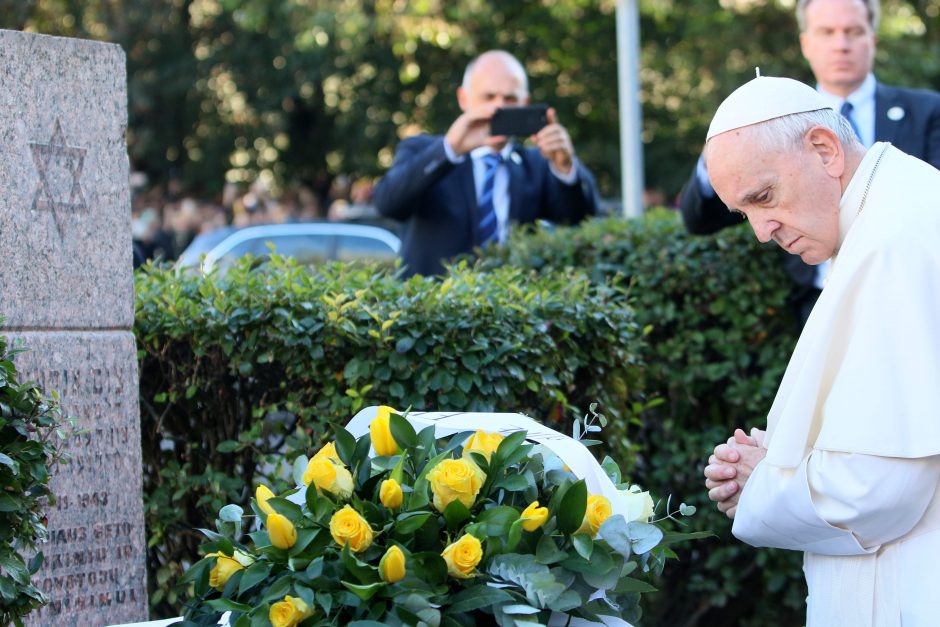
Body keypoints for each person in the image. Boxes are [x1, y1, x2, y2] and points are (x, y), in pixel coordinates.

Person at [700, 74, 940, 626]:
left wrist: (761, 486)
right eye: (745, 213)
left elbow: (878, 490)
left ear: (824, 149)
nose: (762, 231)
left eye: (763, 198)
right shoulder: (895, 206)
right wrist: (786, 456)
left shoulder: (892, 241)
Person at [679, 0, 940, 326]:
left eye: (854, 31)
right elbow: (698, 220)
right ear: (806, 43)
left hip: (910, 292)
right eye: (827, 32)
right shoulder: (763, 120)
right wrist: (725, 148)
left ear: (873, 38)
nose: (841, 44)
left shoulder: (928, 111)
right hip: (816, 303)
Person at [373, 50, 599, 276]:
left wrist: (565, 167)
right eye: (488, 97)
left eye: (510, 98)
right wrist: (449, 149)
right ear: (463, 99)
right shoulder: (422, 151)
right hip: (433, 305)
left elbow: (579, 218)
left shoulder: (536, 164)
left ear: (525, 102)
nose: (498, 108)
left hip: (509, 303)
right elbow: (388, 204)